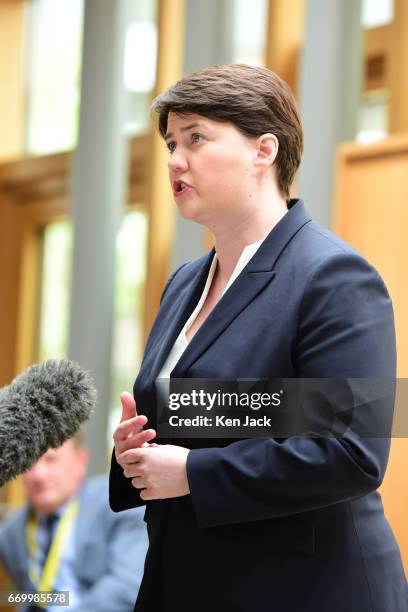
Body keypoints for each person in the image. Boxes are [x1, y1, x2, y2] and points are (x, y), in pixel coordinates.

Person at [109, 64, 408, 611]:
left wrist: (193, 473)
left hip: (302, 589)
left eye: (196, 137)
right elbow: (211, 418)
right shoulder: (183, 283)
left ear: (263, 151)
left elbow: (351, 451)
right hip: (188, 576)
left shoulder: (334, 276)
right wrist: (137, 449)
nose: (175, 159)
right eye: (172, 143)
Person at [0, 435, 148, 612]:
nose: (38, 474)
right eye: (29, 462)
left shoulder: (117, 506)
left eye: (51, 459)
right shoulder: (10, 532)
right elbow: (26, 595)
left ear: (80, 461)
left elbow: (127, 587)